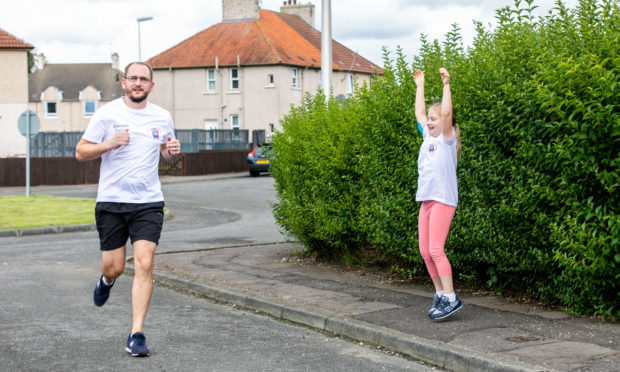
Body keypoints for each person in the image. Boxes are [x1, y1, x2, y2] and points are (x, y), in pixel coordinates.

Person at [76, 61, 181, 356]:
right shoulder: (107, 113)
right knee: (116, 266)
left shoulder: (161, 117)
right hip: (111, 201)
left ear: (151, 85)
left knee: (144, 263)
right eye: (132, 78)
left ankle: (136, 334)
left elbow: (166, 155)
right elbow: (81, 151)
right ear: (124, 82)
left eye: (143, 79)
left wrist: (172, 153)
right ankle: (106, 280)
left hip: (148, 201)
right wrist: (109, 144)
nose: (138, 83)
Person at [413, 67, 463, 320]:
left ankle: (452, 297)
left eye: (434, 120)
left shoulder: (446, 138)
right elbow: (419, 112)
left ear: (444, 122)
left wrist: (446, 85)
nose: (429, 122)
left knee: (436, 249)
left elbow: (445, 112)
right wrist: (419, 85)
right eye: (429, 120)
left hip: (443, 199)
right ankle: (441, 294)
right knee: (425, 251)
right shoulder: (427, 138)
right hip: (427, 201)